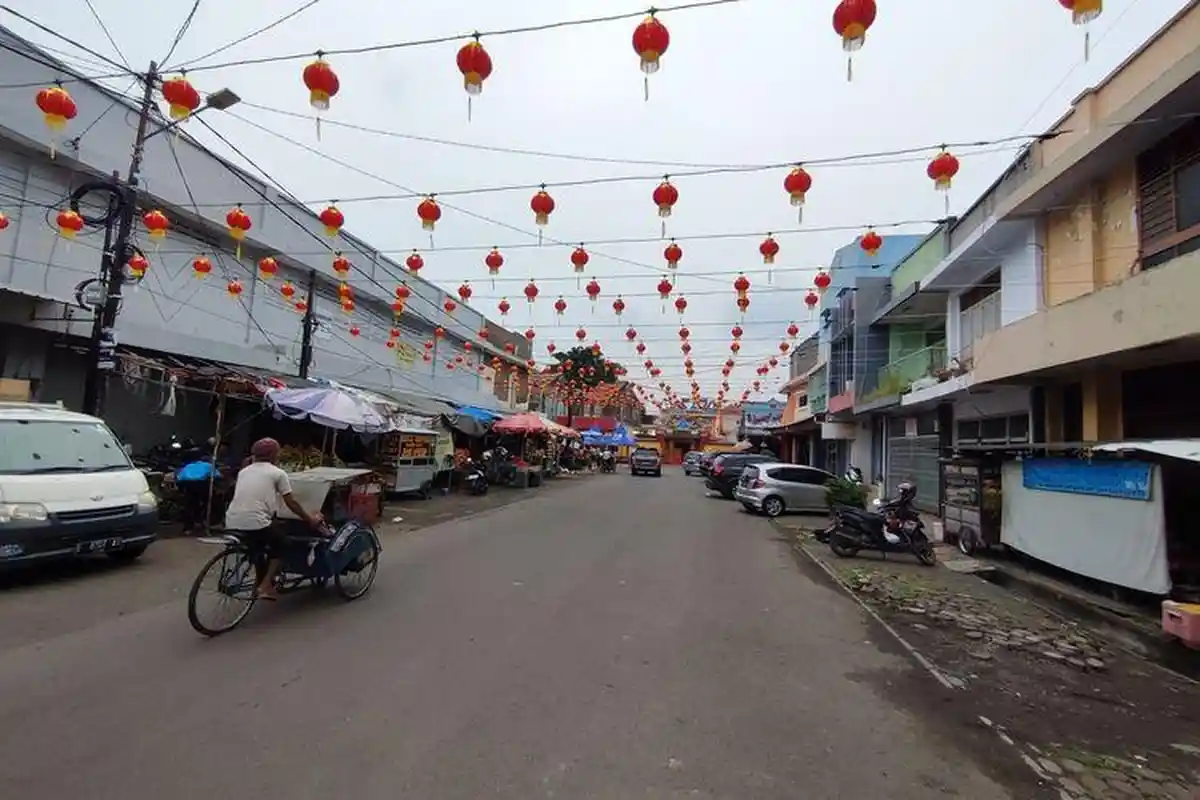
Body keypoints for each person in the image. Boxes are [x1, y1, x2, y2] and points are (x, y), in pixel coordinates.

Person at [224, 437, 324, 600]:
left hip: (231, 520)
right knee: (283, 545)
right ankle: (264, 586)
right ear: (275, 455)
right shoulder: (278, 473)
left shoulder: (244, 471)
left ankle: (261, 578)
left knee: (260, 544)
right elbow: (290, 502)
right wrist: (309, 519)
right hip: (256, 523)